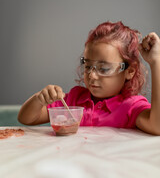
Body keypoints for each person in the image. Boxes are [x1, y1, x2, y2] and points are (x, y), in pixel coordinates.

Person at [18, 21, 160, 135]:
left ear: (129, 71)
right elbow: (26, 119)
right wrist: (39, 99)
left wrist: (156, 62)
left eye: (103, 68)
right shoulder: (73, 100)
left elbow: (157, 126)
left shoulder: (131, 106)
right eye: (87, 66)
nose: (91, 75)